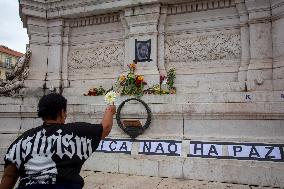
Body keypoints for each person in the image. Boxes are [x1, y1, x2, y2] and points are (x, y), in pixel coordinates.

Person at [0, 93, 116, 189]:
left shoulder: (22, 140)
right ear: (61, 112)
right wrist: (110, 110)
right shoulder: (77, 132)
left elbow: (9, 176)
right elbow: (105, 127)